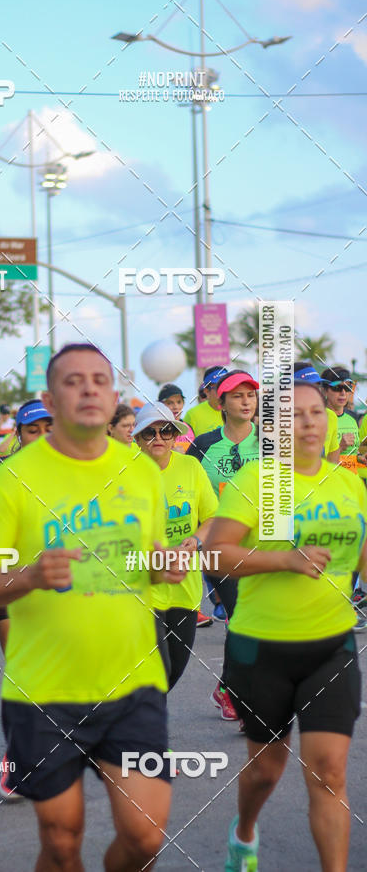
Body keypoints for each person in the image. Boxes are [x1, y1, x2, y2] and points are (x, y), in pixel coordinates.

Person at [0, 343, 187, 872]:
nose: (88, 388)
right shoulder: (13, 478)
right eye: (73, 381)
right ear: (49, 397)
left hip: (133, 685)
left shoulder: (141, 474)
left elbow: (146, 562)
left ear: (114, 397)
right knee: (62, 842)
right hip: (44, 691)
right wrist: (32, 575)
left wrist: (163, 567)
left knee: (145, 837)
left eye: (99, 380)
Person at [205, 381, 366, 872]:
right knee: (266, 770)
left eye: (317, 412)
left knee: (329, 772)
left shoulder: (350, 484)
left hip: (331, 645)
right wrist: (284, 559)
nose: (311, 421)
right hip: (263, 648)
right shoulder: (256, 481)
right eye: (295, 414)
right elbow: (216, 554)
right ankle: (245, 833)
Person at [0, 397, 53, 801]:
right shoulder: (0, 472)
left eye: (48, 428)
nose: (41, 436)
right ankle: (17, 758)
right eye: (32, 429)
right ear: (19, 435)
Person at [187, 370, 260, 721]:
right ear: (221, 403)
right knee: (242, 616)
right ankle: (237, 691)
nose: (246, 401)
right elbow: (185, 486)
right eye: (237, 396)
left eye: (251, 395)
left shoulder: (271, 440)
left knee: (255, 619)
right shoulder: (203, 445)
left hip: (265, 545)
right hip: (217, 546)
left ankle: (228, 685)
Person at [133, 403, 218, 686]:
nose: (158, 438)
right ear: (137, 439)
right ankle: (138, 725)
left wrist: (194, 541)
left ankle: (133, 719)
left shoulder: (190, 467)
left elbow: (212, 516)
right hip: (143, 585)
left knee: (174, 671)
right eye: (149, 432)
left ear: (174, 436)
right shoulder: (125, 474)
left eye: (166, 431)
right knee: (157, 669)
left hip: (186, 586)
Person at [294, 363, 340, 464]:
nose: (315, 392)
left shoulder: (330, 416)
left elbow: (333, 458)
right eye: (309, 387)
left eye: (317, 387)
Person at [321, 366, 362, 474]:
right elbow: (318, 462)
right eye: (337, 388)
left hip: (352, 483)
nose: (343, 393)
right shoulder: (319, 419)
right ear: (325, 390)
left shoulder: (352, 418)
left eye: (347, 388)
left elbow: (352, 451)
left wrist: (359, 457)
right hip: (331, 483)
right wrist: (340, 447)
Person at [183, 366, 228, 436]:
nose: (223, 391)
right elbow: (185, 444)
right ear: (206, 391)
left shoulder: (239, 411)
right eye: (218, 387)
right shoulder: (192, 415)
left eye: (226, 386)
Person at [158, 384, 195, 453]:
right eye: (170, 403)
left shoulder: (188, 428)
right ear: (161, 405)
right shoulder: (156, 428)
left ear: (183, 403)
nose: (175, 406)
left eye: (179, 402)